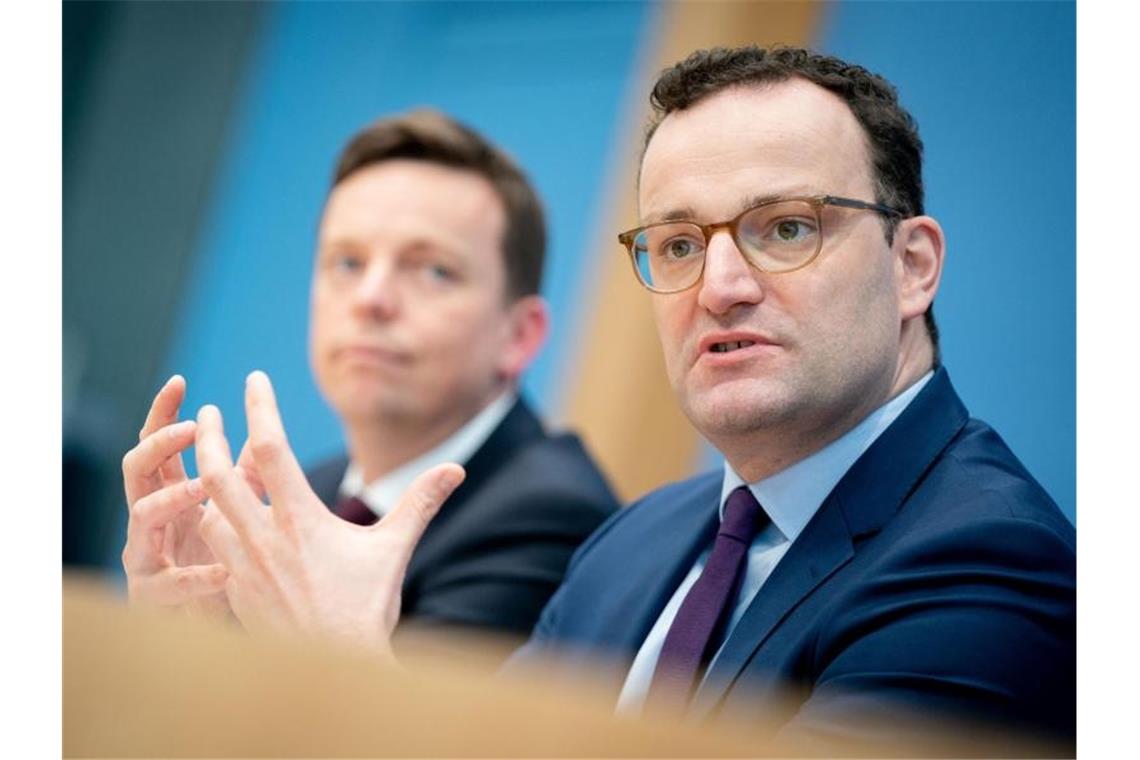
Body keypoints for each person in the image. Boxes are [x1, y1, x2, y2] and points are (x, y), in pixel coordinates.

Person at [152, 46, 1075, 751]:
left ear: (912, 266)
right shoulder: (632, 544)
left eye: (785, 228)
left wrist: (349, 671)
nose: (720, 286)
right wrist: (203, 658)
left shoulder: (989, 564)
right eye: (677, 244)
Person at [119, 110, 619, 646]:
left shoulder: (548, 517)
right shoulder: (318, 490)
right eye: (347, 262)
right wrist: (194, 634)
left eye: (434, 270)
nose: (370, 298)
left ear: (519, 335)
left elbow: (398, 731)